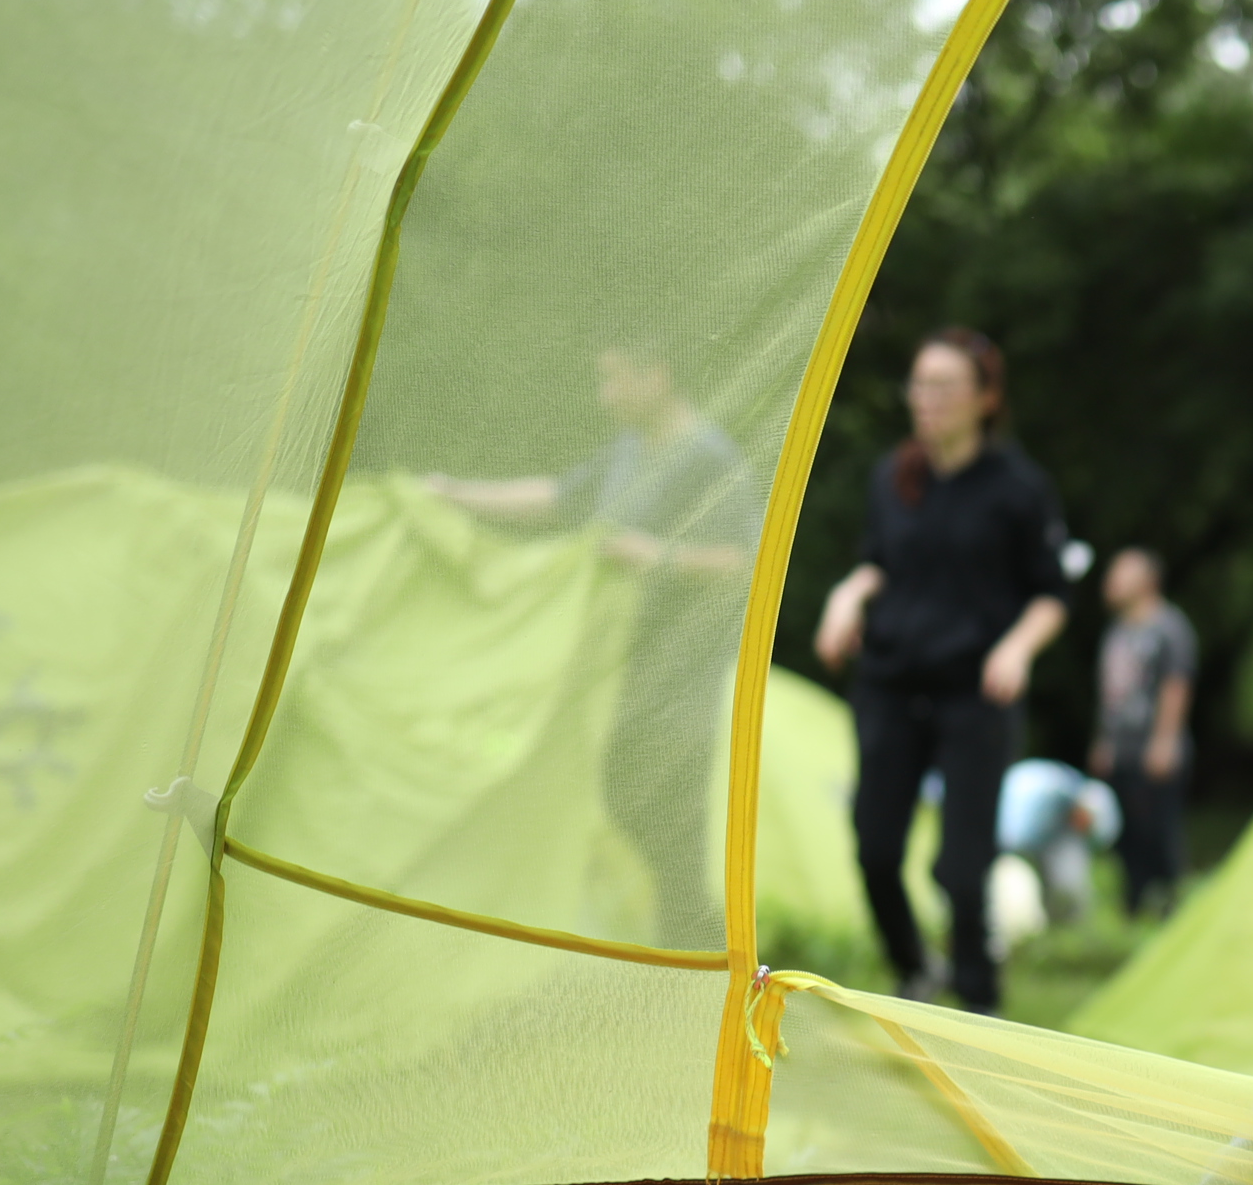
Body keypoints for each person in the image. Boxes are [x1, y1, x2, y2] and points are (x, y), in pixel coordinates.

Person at [430, 340, 756, 946]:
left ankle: (701, 961)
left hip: (679, 692)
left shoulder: (710, 460)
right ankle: (657, 954)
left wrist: (658, 557)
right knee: (621, 814)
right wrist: (453, 493)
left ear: (656, 375)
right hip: (618, 679)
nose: (604, 396)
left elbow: (743, 564)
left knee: (669, 836)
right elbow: (557, 498)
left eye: (614, 380)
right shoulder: (629, 452)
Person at [813, 329, 1068, 1009]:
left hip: (973, 694)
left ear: (986, 398)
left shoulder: (1018, 489)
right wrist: (848, 595)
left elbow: (1052, 594)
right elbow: (879, 562)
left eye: (944, 386)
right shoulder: (895, 477)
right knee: (873, 848)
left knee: (962, 868)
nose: (926, 400)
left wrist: (1015, 649)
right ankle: (914, 968)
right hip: (892, 684)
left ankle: (979, 1002)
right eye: (919, 384)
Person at [1088, 547, 1194, 917]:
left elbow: (1176, 685)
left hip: (1155, 748)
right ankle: (1133, 904)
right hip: (1121, 749)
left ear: (1148, 580)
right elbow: (1111, 692)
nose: (1111, 580)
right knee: (1126, 834)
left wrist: (1164, 741)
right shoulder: (1116, 631)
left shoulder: (1169, 626)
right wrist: (1103, 740)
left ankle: (1168, 905)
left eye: (1122, 572)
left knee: (1159, 833)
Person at [997, 754, 1121, 926]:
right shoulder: (1048, 794)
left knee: (1067, 886)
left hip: (1037, 834)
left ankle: (1069, 930)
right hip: (1013, 840)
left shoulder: (1076, 795)